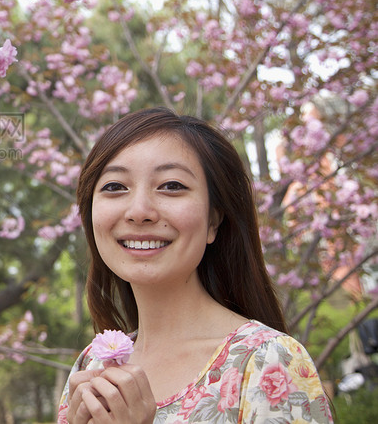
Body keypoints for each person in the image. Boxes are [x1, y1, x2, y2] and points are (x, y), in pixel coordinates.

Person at [58, 107, 333, 423]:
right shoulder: (93, 365)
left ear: (214, 220)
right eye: (115, 186)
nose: (139, 211)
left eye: (171, 185)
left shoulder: (267, 360)